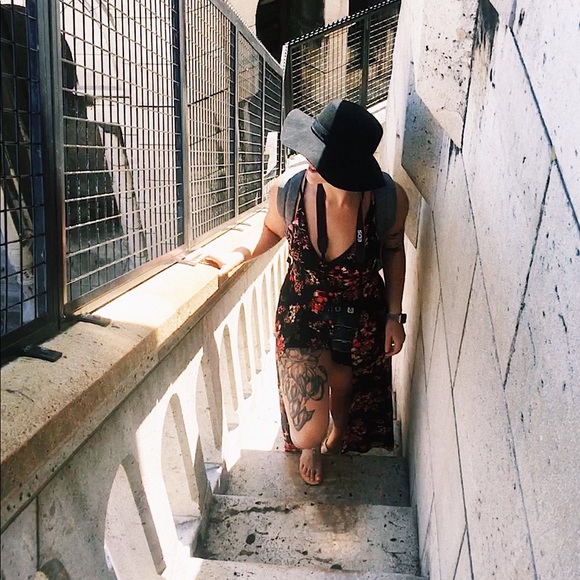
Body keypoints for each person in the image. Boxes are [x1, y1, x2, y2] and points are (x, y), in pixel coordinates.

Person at [197, 99, 408, 485]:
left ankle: (340, 431)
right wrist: (235, 256)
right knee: (306, 431)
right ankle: (312, 444)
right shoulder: (288, 191)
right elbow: (270, 231)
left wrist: (395, 315)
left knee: (344, 382)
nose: (309, 159)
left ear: (350, 168)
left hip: (362, 310)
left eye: (322, 156)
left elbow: (393, 249)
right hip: (302, 308)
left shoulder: (388, 201)